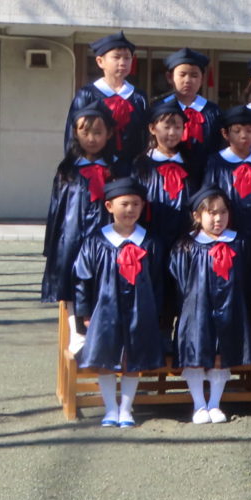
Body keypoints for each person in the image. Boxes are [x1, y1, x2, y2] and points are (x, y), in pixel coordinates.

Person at [72, 177, 165, 428]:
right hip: (105, 310)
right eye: (124, 204)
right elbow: (82, 280)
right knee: (106, 359)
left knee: (132, 360)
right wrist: (85, 313)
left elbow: (158, 280)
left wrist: (156, 312)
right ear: (109, 206)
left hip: (140, 310)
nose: (130, 210)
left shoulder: (151, 242)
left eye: (136, 204)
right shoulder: (95, 242)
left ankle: (126, 409)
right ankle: (110, 409)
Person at [168, 186, 251, 424]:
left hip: (230, 309)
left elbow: (247, 276)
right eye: (211, 213)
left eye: (223, 212)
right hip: (196, 310)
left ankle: (215, 403)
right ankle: (199, 404)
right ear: (197, 216)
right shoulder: (186, 246)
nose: (218, 218)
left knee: (221, 354)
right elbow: (180, 281)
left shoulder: (239, 243)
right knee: (195, 355)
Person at [43, 102, 114, 306]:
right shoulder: (67, 170)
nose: (91, 138)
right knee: (71, 291)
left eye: (98, 132)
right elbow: (55, 210)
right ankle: (74, 335)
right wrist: (52, 246)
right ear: (75, 133)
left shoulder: (116, 169)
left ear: (109, 134)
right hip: (71, 237)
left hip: (104, 238)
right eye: (85, 132)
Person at [64, 31, 147, 171]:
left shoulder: (138, 97)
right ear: (100, 61)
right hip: (94, 168)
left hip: (131, 169)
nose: (123, 62)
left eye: (127, 58)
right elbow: (72, 136)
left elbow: (145, 137)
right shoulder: (87, 95)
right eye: (116, 57)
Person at [203, 105, 251, 243]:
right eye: (237, 131)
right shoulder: (216, 163)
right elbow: (209, 198)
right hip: (226, 233)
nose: (243, 135)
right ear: (225, 134)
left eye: (249, 131)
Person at [133, 99, 193, 256]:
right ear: (152, 128)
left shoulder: (191, 165)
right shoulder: (141, 165)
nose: (172, 133)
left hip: (184, 237)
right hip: (150, 236)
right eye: (166, 127)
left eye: (177, 127)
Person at [157, 47, 220, 180]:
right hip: (164, 174)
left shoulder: (213, 111)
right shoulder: (158, 108)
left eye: (194, 75)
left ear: (202, 79)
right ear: (170, 77)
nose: (188, 80)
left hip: (205, 175)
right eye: (182, 74)